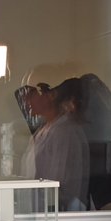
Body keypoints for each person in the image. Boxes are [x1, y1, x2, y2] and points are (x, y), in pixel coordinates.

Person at [18, 79, 90, 211]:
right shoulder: (43, 130)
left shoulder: (65, 131)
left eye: (32, 95)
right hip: (40, 210)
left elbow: (59, 185)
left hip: (58, 213)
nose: (26, 102)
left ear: (50, 95)